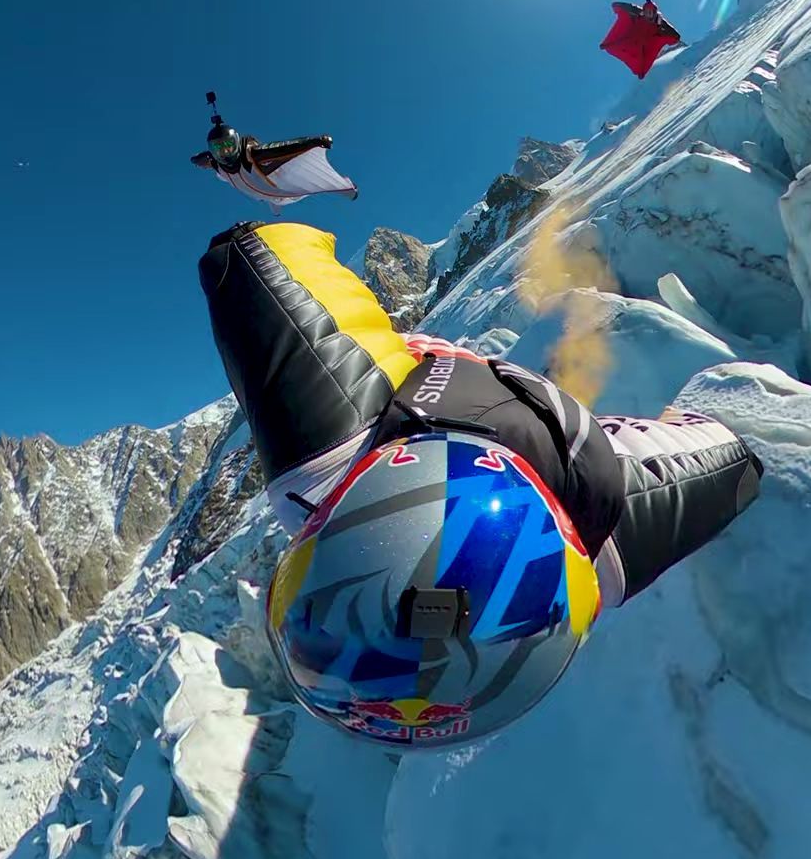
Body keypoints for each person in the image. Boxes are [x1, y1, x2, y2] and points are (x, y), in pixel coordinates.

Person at [199, 220, 763, 749]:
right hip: (490, 437)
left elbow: (251, 258)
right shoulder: (610, 527)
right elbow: (735, 453)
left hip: (449, 426)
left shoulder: (328, 438)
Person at [191, 92, 359, 211]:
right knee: (270, 200)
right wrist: (199, 160)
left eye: (228, 146)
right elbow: (208, 160)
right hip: (264, 194)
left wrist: (315, 142)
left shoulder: (253, 157)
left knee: (302, 185)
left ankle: (343, 186)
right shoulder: (218, 165)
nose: (225, 153)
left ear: (236, 143)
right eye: (219, 149)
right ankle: (274, 204)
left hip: (283, 191)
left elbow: (283, 147)